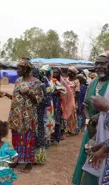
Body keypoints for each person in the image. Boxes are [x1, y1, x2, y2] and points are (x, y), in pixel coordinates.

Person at [73, 54, 109, 185]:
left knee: (101, 160)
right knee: (88, 156)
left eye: (103, 63)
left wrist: (99, 117)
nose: (99, 66)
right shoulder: (93, 82)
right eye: (97, 63)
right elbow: (85, 106)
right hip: (92, 128)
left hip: (106, 130)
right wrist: (89, 121)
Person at [8, 58, 43, 173]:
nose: (17, 70)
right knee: (16, 138)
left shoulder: (36, 82)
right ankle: (18, 158)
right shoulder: (18, 80)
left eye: (19, 68)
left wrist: (29, 92)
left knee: (28, 139)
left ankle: (28, 163)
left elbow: (38, 100)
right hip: (16, 115)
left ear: (26, 69)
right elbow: (15, 97)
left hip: (29, 116)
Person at [51, 68, 67, 143]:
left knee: (57, 118)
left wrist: (57, 92)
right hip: (51, 102)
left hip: (57, 102)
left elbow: (65, 90)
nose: (55, 74)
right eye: (54, 72)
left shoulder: (60, 81)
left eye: (57, 72)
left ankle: (57, 136)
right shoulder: (49, 80)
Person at [65, 66, 80, 135]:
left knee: (73, 115)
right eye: (68, 71)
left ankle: (73, 130)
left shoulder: (77, 81)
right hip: (66, 100)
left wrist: (75, 102)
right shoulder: (65, 80)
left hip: (73, 99)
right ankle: (67, 129)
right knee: (67, 114)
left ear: (73, 73)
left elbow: (77, 93)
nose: (68, 73)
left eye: (69, 72)